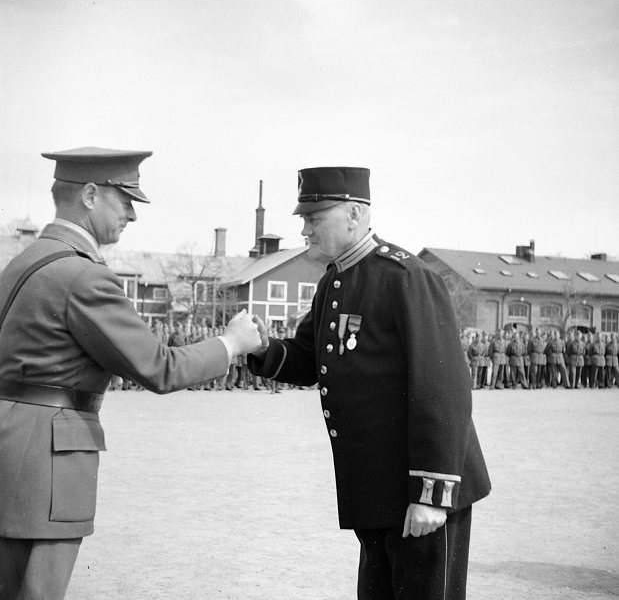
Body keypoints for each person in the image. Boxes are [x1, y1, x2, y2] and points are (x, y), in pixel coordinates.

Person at [0, 147, 262, 600]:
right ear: (89, 195)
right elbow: (159, 368)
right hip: (49, 454)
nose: (132, 215)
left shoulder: (24, 261)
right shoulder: (84, 275)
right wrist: (231, 343)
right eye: (124, 201)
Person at [248, 166, 491, 600]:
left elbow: (442, 388)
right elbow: (310, 359)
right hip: (376, 491)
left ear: (355, 215)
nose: (304, 229)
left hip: (418, 491)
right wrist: (262, 348)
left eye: (314, 218)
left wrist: (431, 494)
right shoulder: (334, 281)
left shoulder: (405, 276)